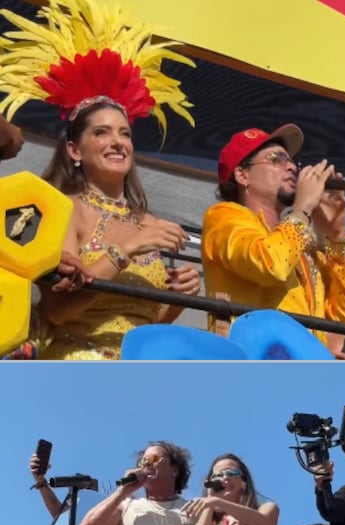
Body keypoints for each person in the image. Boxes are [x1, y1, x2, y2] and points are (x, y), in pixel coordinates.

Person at [0, 0, 199, 360]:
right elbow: (57, 312)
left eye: (124, 133)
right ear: (75, 151)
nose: (118, 142)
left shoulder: (150, 224)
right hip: (75, 373)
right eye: (102, 133)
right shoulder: (63, 211)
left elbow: (144, 324)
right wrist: (123, 251)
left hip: (135, 378)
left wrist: (179, 299)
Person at [201, 125, 345, 358]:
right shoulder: (223, 218)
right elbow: (271, 264)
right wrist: (303, 208)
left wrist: (337, 234)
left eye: (291, 161)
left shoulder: (300, 242)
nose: (290, 167)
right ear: (242, 175)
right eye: (276, 159)